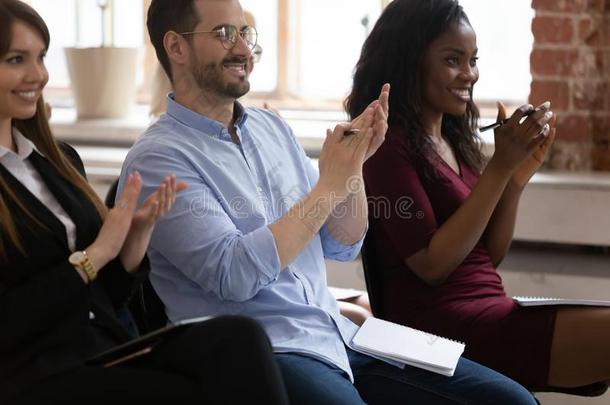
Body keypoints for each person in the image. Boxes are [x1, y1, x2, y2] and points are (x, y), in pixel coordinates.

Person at [118, 0, 540, 403]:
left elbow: (342, 243)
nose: (245, 49)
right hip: (268, 352)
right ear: (176, 47)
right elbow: (235, 274)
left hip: (337, 335)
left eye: (246, 32)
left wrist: (354, 168)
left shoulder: (271, 129)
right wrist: (329, 185)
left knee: (511, 399)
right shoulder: (158, 158)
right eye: (225, 34)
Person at [0, 1, 289, 404]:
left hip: (100, 349)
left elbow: (106, 297)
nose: (38, 74)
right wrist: (95, 255)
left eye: (41, 57)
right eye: (17, 59)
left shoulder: (59, 161)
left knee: (238, 337)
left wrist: (130, 249)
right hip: (31, 371)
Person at [348, 0, 609, 390]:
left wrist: (514, 178)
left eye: (473, 60)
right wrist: (500, 168)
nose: (469, 74)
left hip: (491, 310)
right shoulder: (386, 149)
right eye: (453, 60)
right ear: (408, 61)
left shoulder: (453, 141)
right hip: (441, 329)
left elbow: (488, 255)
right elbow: (433, 266)